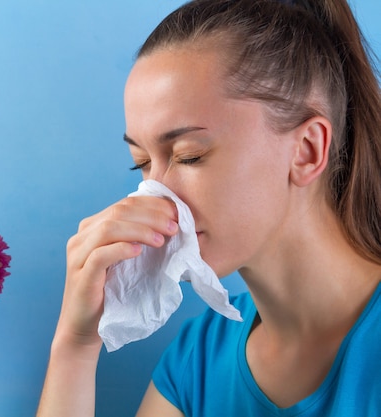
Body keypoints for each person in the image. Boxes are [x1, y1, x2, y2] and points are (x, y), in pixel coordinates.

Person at [36, 0, 381, 415]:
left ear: (307, 151)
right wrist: (75, 346)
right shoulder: (195, 362)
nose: (156, 196)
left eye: (189, 156)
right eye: (143, 164)